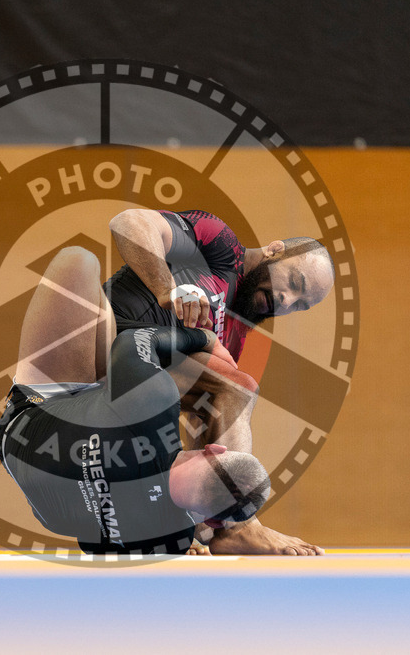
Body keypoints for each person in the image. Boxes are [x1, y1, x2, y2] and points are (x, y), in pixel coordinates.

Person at [0, 246, 272, 555]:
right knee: (120, 401)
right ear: (212, 522)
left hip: (26, 418)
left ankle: (110, 394)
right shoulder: (174, 539)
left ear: (213, 448)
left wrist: (204, 339)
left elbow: (135, 340)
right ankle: (108, 402)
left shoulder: (156, 403)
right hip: (49, 511)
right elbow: (93, 544)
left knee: (78, 262)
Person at [106, 208, 334, 554]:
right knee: (238, 386)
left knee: (231, 392)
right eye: (294, 283)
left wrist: (192, 523)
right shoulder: (221, 245)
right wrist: (168, 289)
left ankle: (205, 526)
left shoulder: (237, 334)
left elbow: (201, 422)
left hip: (136, 386)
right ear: (275, 250)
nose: (287, 300)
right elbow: (128, 222)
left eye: (300, 305)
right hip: (106, 339)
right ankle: (239, 523)